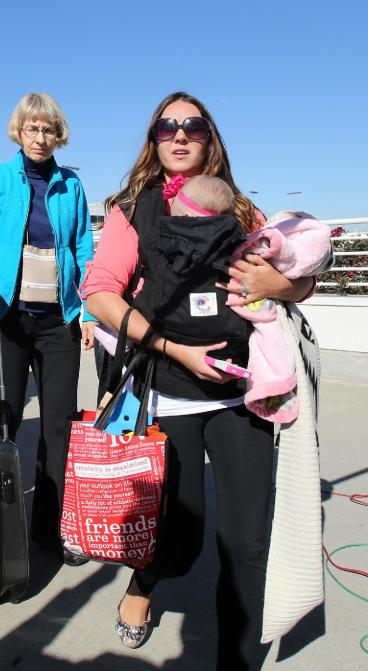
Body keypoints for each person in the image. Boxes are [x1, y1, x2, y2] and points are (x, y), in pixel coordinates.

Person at [81, 91, 323, 668]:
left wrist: (275, 286)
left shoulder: (241, 211)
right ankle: (144, 586)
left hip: (243, 394)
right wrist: (172, 348)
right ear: (154, 139)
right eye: (167, 127)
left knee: (246, 543)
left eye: (193, 126)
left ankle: (237, 663)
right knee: (178, 539)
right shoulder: (131, 207)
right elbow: (98, 292)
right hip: (168, 389)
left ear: (210, 138)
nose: (180, 135)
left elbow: (301, 281)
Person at [0, 92, 97, 562]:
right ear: (19, 131)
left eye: (49, 130)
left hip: (60, 321)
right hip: (6, 319)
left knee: (60, 426)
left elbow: (83, 250)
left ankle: (52, 527)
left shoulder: (70, 185)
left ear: (59, 135)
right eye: (32, 129)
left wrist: (90, 314)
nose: (40, 137)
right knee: (5, 419)